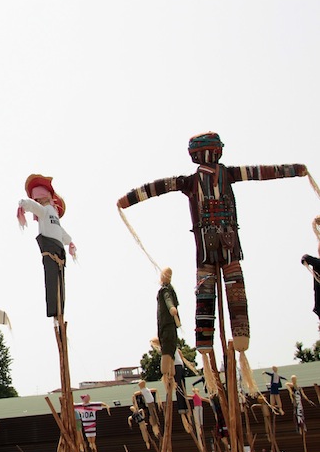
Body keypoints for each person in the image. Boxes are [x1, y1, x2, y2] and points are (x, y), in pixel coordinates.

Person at [117, 133, 309, 382]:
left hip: (219, 251)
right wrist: (295, 170)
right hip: (220, 251)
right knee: (215, 294)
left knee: (217, 294)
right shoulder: (209, 178)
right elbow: (260, 172)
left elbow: (159, 187)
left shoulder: (196, 181)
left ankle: (220, 345)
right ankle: (214, 346)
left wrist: (129, 199)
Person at [17, 174, 76, 319]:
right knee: (55, 281)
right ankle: (56, 312)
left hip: (56, 249)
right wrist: (24, 204)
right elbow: (34, 207)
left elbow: (61, 232)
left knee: (56, 282)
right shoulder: (46, 212)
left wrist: (70, 241)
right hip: (51, 248)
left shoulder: (48, 212)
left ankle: (58, 311)